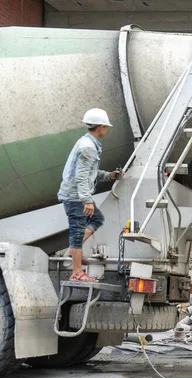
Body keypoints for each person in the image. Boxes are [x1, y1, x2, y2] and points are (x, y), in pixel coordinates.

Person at [57, 108, 121, 282]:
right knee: (77, 232)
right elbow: (81, 176)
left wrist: (108, 175)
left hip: (75, 195)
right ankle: (77, 272)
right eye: (105, 127)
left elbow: (89, 172)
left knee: (97, 219)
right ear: (100, 127)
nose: (106, 130)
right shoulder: (88, 148)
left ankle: (73, 251)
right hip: (75, 197)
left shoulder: (87, 143)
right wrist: (86, 200)